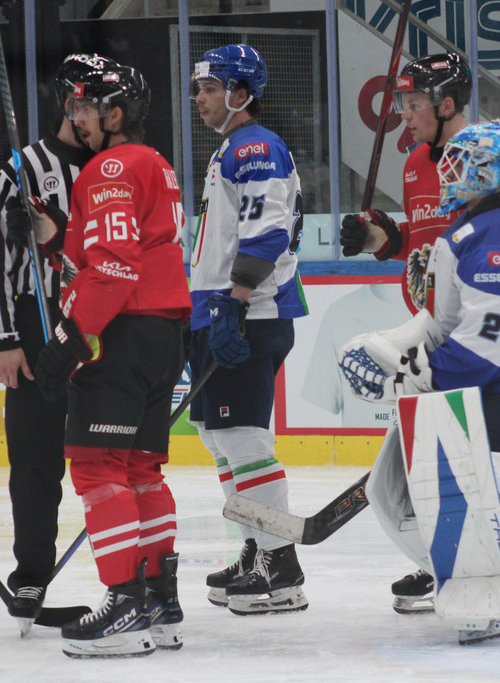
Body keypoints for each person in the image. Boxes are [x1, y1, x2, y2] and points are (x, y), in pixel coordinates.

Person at [339, 122, 500, 643]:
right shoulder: (472, 227)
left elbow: (490, 342)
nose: (449, 169)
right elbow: (446, 325)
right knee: (416, 472)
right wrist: (389, 348)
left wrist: (417, 374)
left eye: (464, 162)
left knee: (449, 467)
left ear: (492, 174)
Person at [31, 57, 191, 658]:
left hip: (121, 332)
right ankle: (159, 601)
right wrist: (58, 237)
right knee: (143, 470)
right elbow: (126, 249)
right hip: (162, 332)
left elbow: (116, 267)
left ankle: (124, 600)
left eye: (84, 106)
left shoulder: (109, 167)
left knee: (99, 468)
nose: (76, 117)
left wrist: (70, 337)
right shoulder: (155, 163)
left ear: (115, 114)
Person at [0, 53, 97, 631]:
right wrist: (3, 338)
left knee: (108, 459)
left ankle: (128, 579)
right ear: (71, 105)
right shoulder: (23, 169)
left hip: (102, 326)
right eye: (94, 105)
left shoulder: (121, 164)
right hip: (37, 321)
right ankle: (31, 575)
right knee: (35, 462)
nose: (106, 116)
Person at [189, 44, 309, 615]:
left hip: (248, 312)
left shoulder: (255, 146)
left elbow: (268, 233)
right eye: (199, 88)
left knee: (243, 439)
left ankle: (280, 565)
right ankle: (257, 549)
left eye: (211, 88)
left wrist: (234, 301)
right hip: (220, 310)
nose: (201, 99)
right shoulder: (231, 149)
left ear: (241, 93)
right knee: (219, 438)